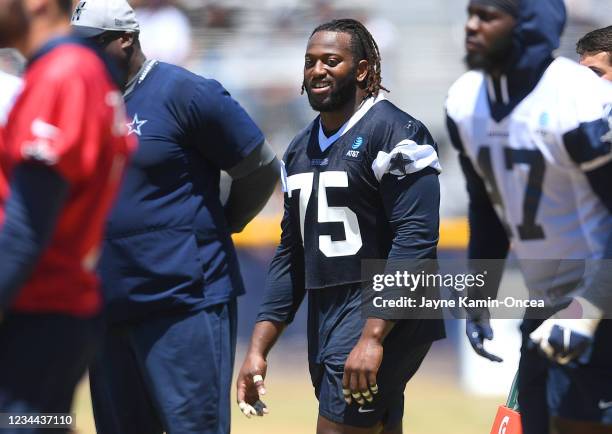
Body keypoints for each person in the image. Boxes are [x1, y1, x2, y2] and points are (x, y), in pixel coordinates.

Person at [71, 1, 279, 433]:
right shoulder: (82, 103)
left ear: (125, 40)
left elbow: (258, 168)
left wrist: (227, 221)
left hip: (182, 302)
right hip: (107, 306)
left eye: (91, 45)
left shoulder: (185, 92)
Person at [237, 18, 445, 434]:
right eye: (310, 61)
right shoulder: (298, 148)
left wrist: (373, 335)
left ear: (363, 70)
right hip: (329, 307)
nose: (317, 70)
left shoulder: (396, 132)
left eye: (331, 60)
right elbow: (291, 254)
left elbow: (416, 238)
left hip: (384, 305)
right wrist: (258, 349)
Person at [446, 0, 612, 433]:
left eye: (487, 16)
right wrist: (479, 293)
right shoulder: (466, 100)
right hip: (548, 303)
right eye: (471, 14)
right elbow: (486, 202)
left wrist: (587, 308)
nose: (472, 26)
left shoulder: (577, 98)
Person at [0, 0, 133, 430]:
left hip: (36, 309)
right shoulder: (69, 70)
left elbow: (26, 229)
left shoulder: (64, 73)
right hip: (49, 311)